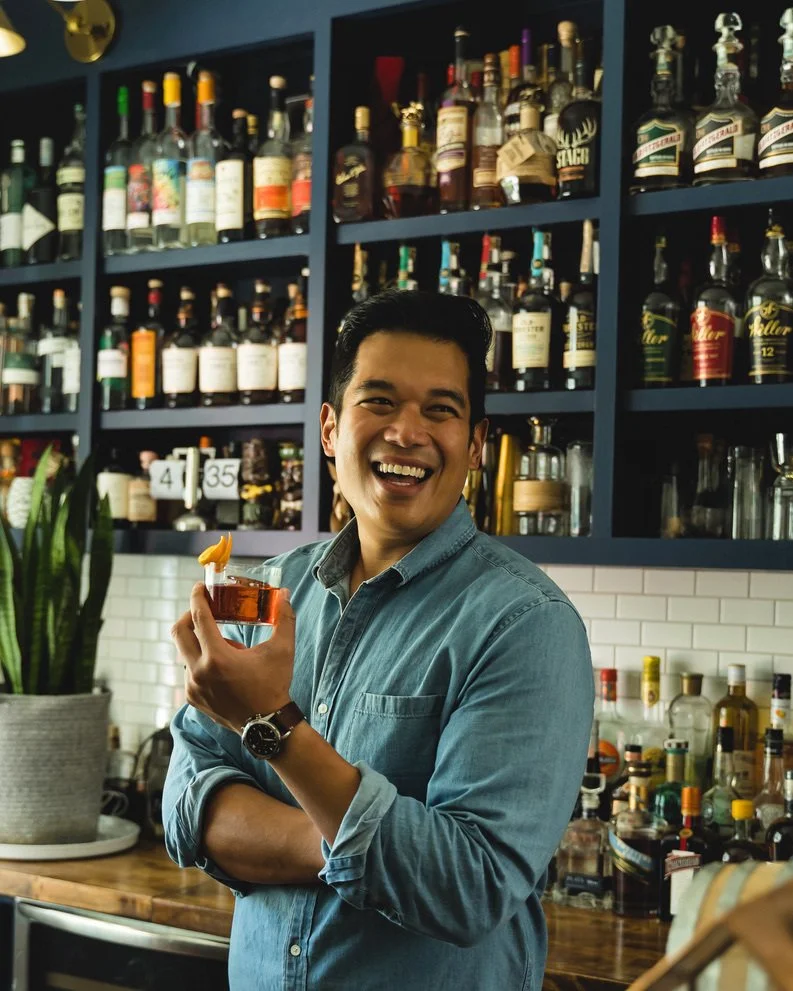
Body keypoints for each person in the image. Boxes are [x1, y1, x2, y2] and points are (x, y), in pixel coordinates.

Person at [164, 289, 594, 991]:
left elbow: (469, 885)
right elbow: (186, 804)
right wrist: (337, 839)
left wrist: (272, 726)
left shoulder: (525, 624)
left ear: (476, 444)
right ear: (330, 428)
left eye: (440, 409)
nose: (406, 432)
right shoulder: (266, 592)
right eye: (380, 401)